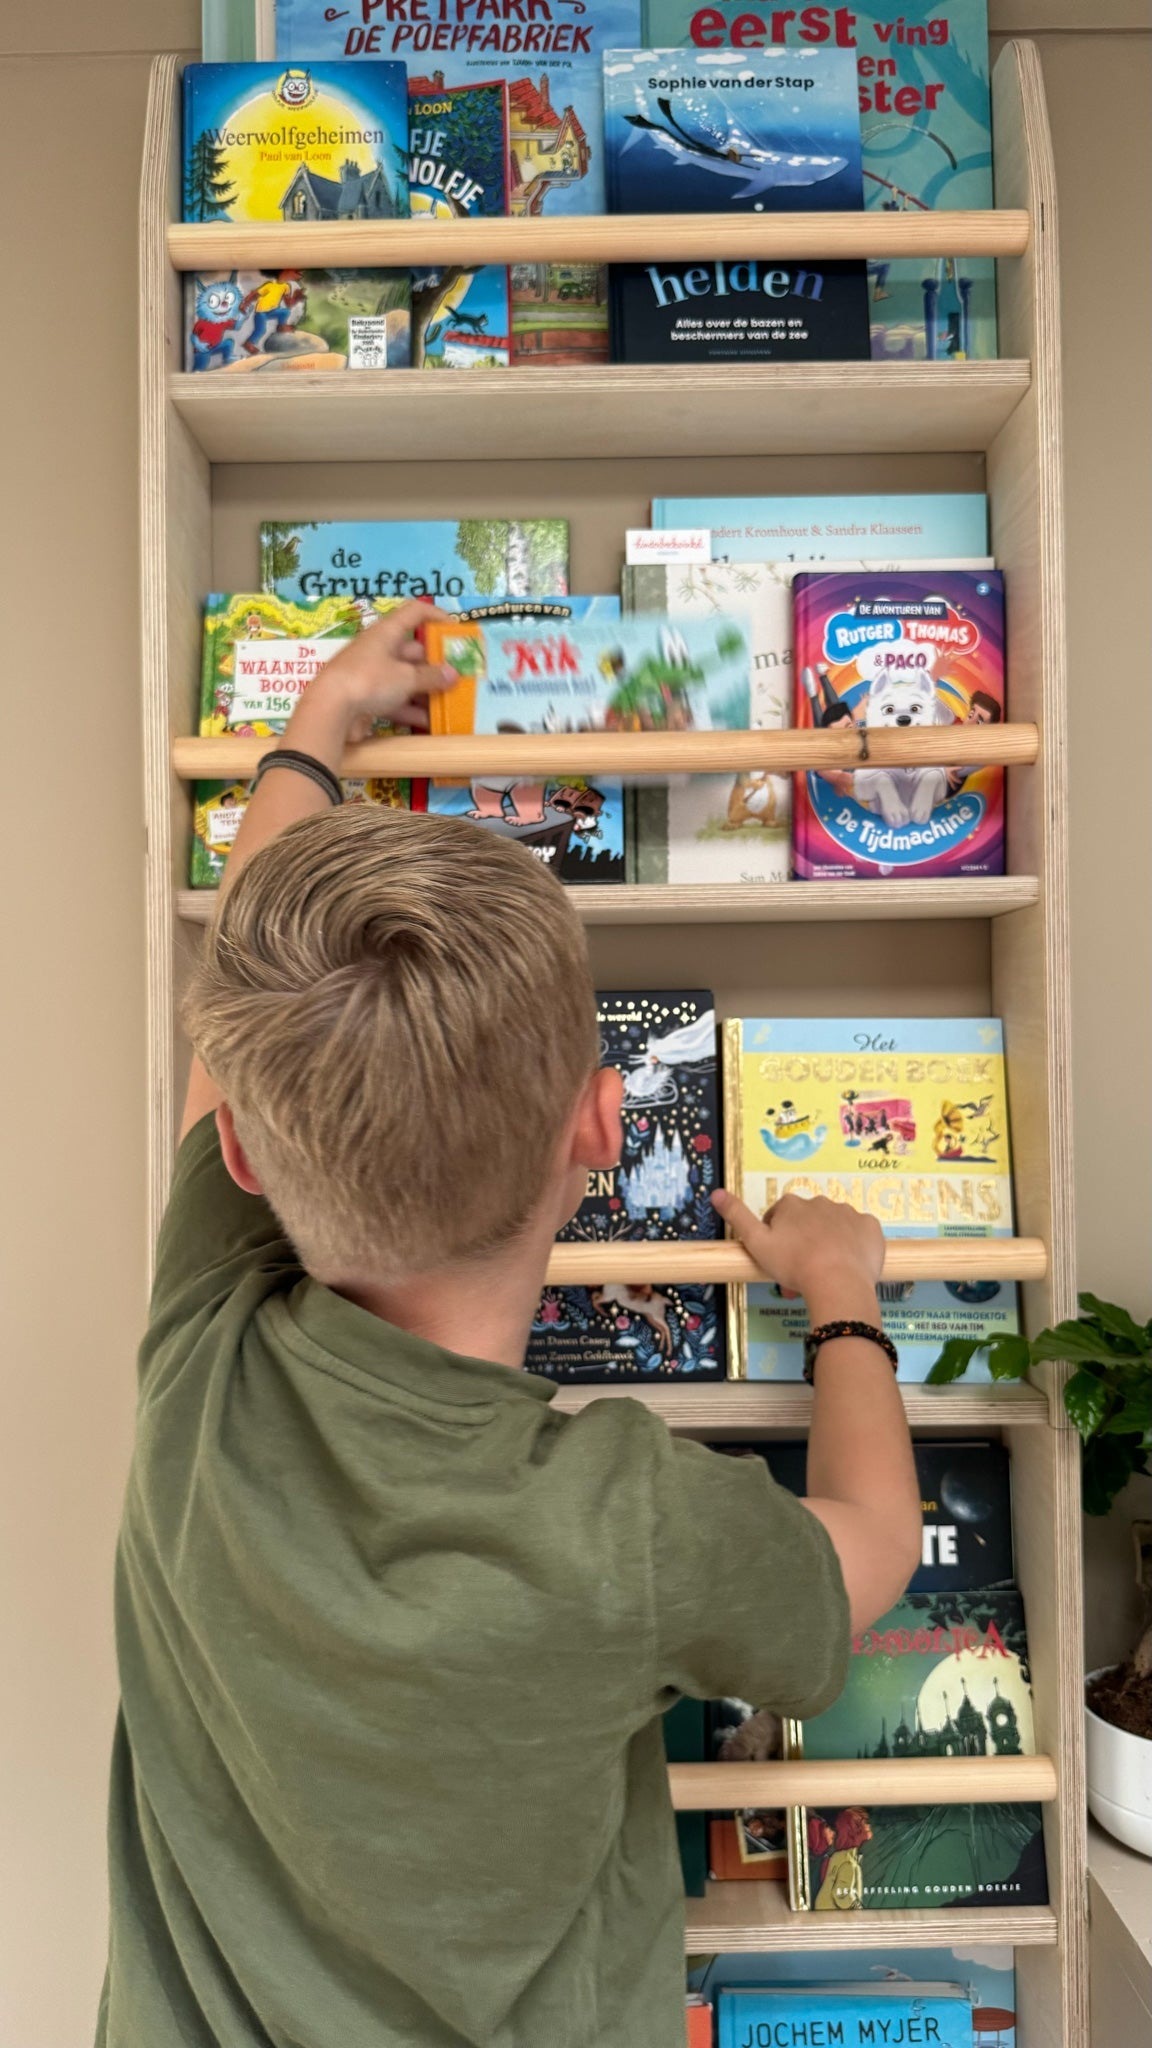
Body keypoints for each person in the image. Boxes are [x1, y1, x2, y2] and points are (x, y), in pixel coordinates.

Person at [97, 603, 922, 2048]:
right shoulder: (633, 1524)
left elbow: (242, 962)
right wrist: (842, 1294)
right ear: (604, 1125)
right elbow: (871, 1551)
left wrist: (321, 718)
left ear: (240, 1153)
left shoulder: (202, 1353)